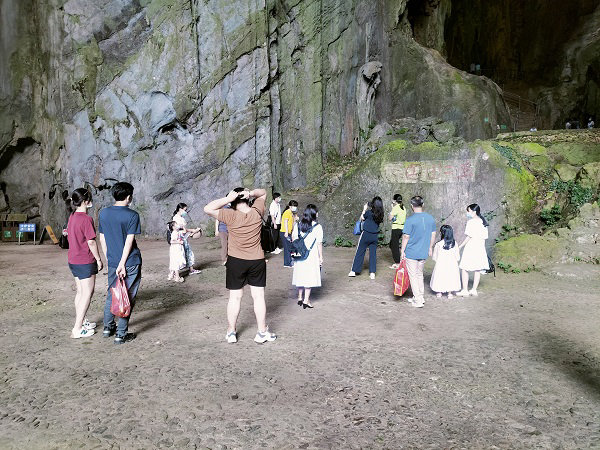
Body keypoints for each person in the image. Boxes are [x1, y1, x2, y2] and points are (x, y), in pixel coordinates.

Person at [204, 187, 276, 344]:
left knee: (235, 297)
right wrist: (251, 193)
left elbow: (207, 208)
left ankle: (231, 332)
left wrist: (227, 199)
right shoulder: (257, 211)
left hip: (236, 261)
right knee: (258, 297)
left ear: (233, 201)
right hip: (256, 260)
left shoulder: (229, 215)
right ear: (246, 198)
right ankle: (262, 332)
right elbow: (263, 193)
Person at [98, 182, 142, 345]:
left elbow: (102, 238)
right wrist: (122, 264)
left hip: (113, 261)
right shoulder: (132, 215)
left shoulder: (104, 213)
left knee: (113, 293)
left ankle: (108, 328)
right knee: (126, 296)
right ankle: (121, 334)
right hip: (129, 262)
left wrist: (111, 259)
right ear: (129, 197)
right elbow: (129, 242)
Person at [66, 188, 103, 338]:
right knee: (87, 293)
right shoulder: (86, 219)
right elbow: (91, 242)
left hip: (73, 260)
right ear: (86, 202)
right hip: (85, 261)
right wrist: (99, 259)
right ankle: (77, 328)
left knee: (81, 292)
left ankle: (82, 321)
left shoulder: (72, 216)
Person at [400, 196, 436, 308]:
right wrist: (430, 247)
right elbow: (433, 234)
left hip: (412, 252)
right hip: (423, 252)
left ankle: (418, 300)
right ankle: (420, 296)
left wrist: (402, 250)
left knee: (413, 276)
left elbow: (406, 236)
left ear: (412, 206)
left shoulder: (410, 220)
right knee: (419, 274)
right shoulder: (430, 218)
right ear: (423, 205)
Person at [292, 204, 324, 309]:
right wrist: (321, 257)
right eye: (316, 212)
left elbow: (294, 239)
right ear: (314, 214)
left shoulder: (298, 224)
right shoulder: (318, 227)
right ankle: (306, 300)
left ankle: (299, 297)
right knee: (309, 277)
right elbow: (319, 243)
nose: (318, 213)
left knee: (300, 275)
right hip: (311, 255)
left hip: (300, 254)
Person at [457, 204, 489, 297]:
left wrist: (460, 246)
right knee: (477, 269)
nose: (467, 213)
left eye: (468, 211)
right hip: (480, 248)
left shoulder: (471, 222)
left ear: (474, 212)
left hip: (471, 247)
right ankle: (474, 290)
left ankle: (465, 290)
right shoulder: (483, 222)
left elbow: (469, 237)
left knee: (464, 268)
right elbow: (485, 237)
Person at [348, 196, 384, 279]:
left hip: (366, 234)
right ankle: (372, 273)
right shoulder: (381, 215)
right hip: (375, 236)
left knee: (360, 251)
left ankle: (354, 271)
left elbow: (362, 218)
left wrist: (364, 209)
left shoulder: (368, 213)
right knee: (373, 254)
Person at [430, 225, 461, 299]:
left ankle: (439, 292)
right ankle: (449, 293)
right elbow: (457, 257)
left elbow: (435, 257)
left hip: (441, 264)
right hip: (452, 265)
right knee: (451, 277)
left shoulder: (439, 244)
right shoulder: (454, 244)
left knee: (440, 277)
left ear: (442, 233)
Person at [172, 203, 202, 274]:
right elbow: (180, 229)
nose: (185, 212)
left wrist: (192, 231)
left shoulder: (181, 218)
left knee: (188, 252)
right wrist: (193, 230)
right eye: (184, 210)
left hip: (183, 238)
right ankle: (174, 272)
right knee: (181, 254)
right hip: (180, 238)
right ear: (180, 209)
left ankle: (191, 269)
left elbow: (184, 229)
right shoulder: (176, 218)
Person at [388, 194, 407, 269]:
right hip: (402, 228)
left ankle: (397, 263)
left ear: (394, 200)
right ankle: (401, 258)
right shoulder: (403, 207)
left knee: (394, 246)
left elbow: (390, 218)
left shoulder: (396, 207)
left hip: (396, 228)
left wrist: (392, 209)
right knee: (392, 244)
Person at [280, 200, 298, 267]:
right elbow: (285, 222)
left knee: (289, 247)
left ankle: (289, 262)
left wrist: (295, 220)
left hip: (288, 232)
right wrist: (286, 232)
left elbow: (292, 224)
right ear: (290, 206)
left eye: (296, 206)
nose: (295, 207)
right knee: (287, 248)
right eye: (294, 206)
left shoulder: (291, 213)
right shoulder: (287, 212)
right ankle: (287, 263)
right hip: (284, 232)